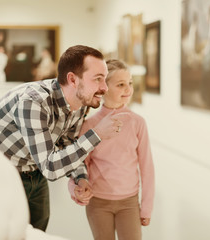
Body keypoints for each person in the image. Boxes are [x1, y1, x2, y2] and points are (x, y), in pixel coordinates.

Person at [0, 45, 126, 231]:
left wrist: (80, 178)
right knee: (5, 234)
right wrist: (97, 134)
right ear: (73, 80)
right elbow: (50, 167)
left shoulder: (81, 101)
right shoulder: (32, 102)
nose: (105, 88)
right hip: (2, 176)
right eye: (98, 79)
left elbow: (68, 143)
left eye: (105, 79)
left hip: (35, 172)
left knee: (38, 232)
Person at [68, 59, 155, 240]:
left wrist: (146, 206)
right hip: (98, 203)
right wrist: (75, 188)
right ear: (104, 88)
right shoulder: (89, 125)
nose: (128, 89)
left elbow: (147, 168)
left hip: (129, 203)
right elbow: (79, 163)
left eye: (130, 83)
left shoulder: (138, 123)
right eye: (121, 84)